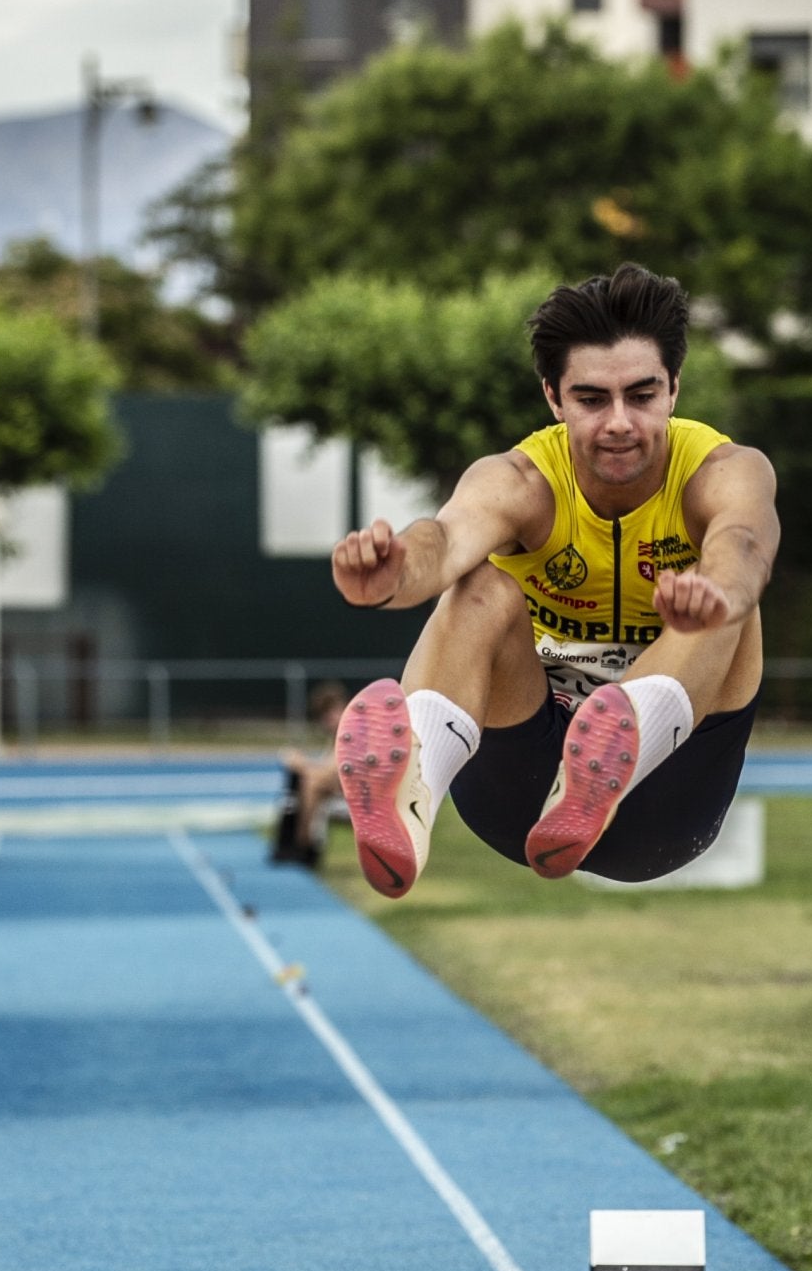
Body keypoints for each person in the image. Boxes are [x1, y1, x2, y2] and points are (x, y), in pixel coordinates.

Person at [328, 264, 779, 898]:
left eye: (641, 396)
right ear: (554, 398)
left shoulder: (722, 468)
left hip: (669, 799)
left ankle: (626, 734)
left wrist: (721, 590)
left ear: (674, 390)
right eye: (592, 400)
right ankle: (412, 791)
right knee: (480, 588)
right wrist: (396, 571)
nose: (619, 422)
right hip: (525, 786)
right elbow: (448, 539)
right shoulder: (521, 481)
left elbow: (746, 538)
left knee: (732, 600)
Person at [269, 681, 349, 866]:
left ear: (344, 707)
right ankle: (295, 843)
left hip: (359, 799)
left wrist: (301, 763)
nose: (328, 719)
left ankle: (303, 846)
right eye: (324, 715)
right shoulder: (336, 737)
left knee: (311, 784)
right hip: (340, 792)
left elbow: (331, 772)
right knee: (305, 781)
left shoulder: (350, 736)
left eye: (332, 712)